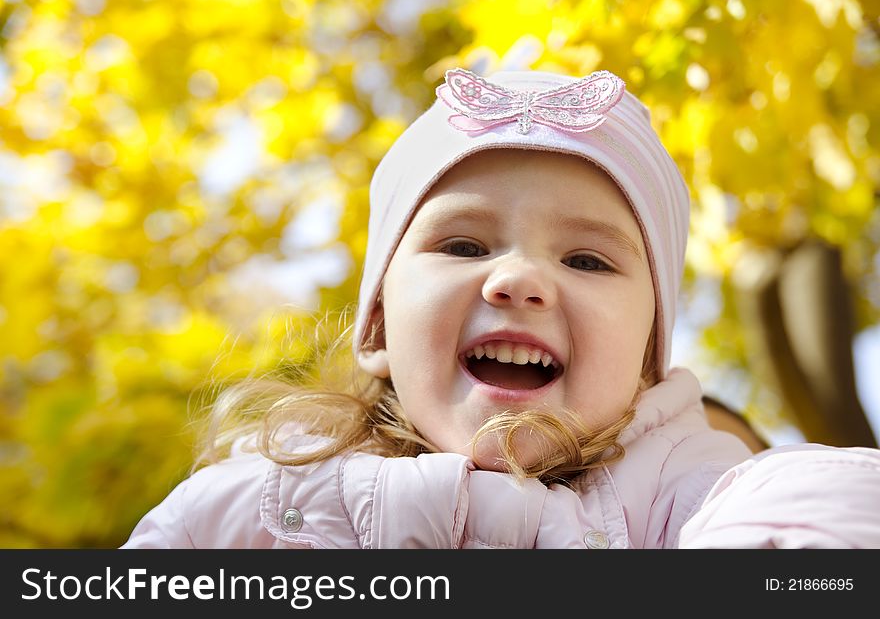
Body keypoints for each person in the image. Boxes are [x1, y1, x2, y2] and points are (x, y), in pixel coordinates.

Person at [121, 67, 880, 549]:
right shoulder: (263, 502)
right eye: (463, 246)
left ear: (650, 358)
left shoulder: (686, 493)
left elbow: (816, 509)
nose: (517, 279)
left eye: (586, 259)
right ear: (378, 324)